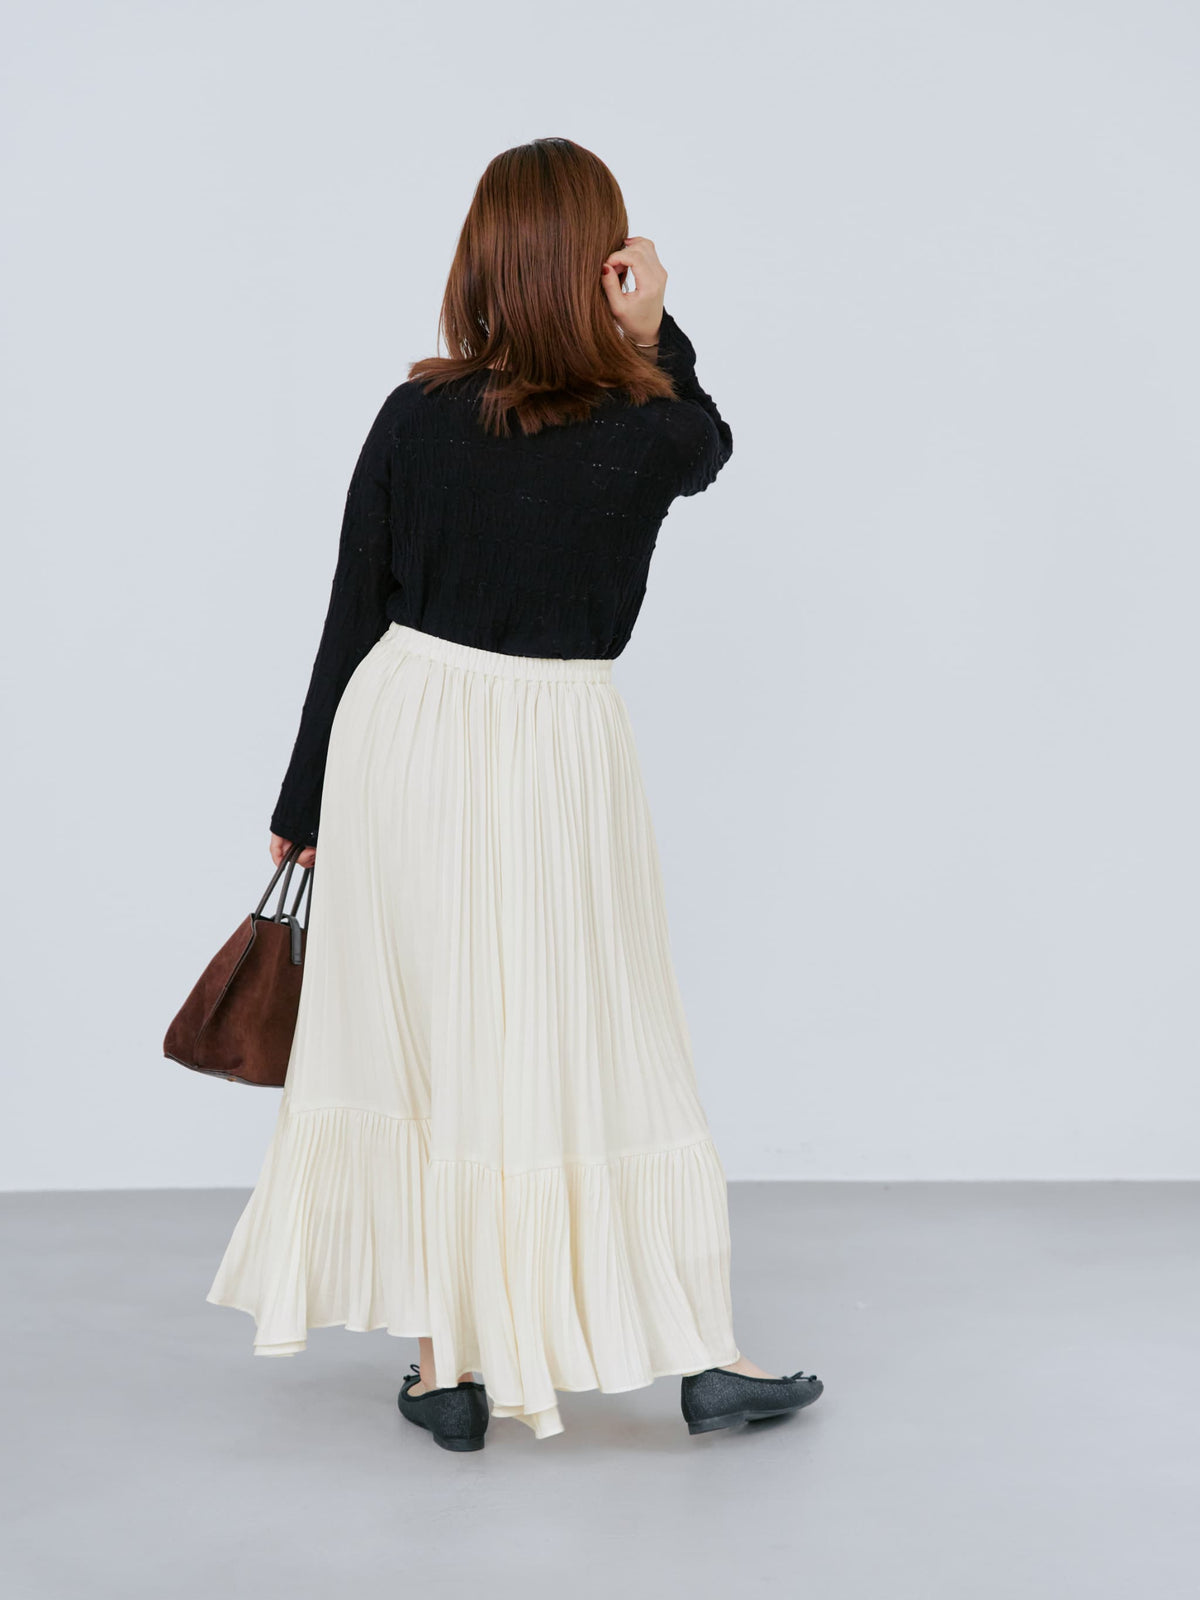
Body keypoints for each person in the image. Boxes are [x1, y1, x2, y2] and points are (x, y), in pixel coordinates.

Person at [207, 136, 823, 1450]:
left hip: (404, 728)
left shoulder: (415, 414)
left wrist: (304, 801)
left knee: (432, 1037)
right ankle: (700, 1354)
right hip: (558, 743)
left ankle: (449, 1369)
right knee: (600, 1024)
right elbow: (709, 446)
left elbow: (353, 610)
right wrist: (656, 331)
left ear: (482, 258)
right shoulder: (645, 423)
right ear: (601, 266)